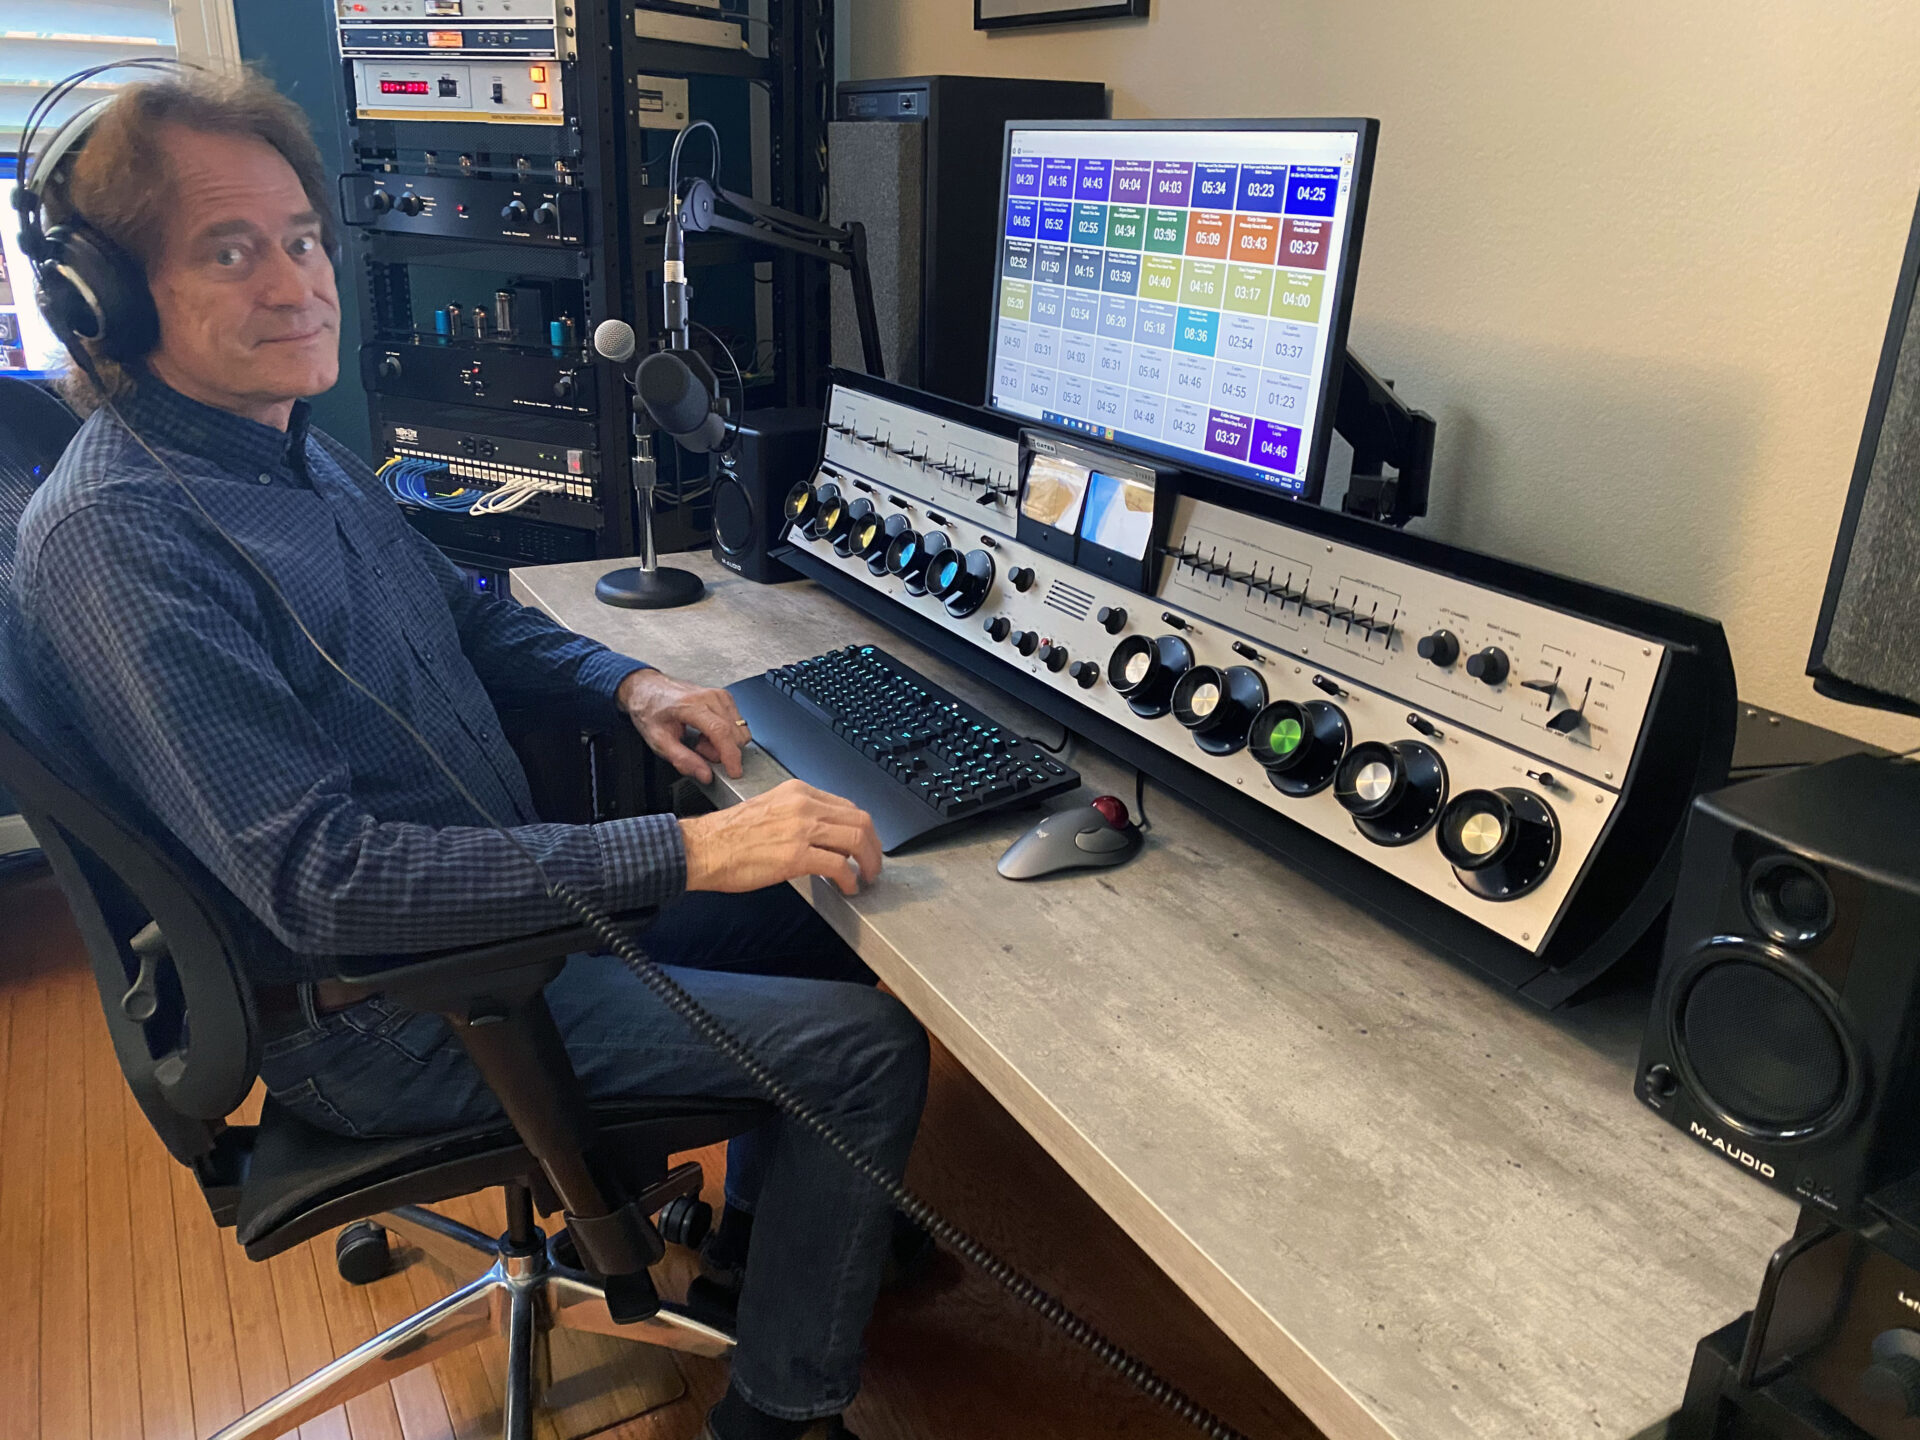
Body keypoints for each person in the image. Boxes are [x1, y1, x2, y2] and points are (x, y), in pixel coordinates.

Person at [5, 69, 925, 1440]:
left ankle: (767, 1251)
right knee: (865, 1053)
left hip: (498, 916)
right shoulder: (125, 541)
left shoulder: (285, 451)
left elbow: (462, 614)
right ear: (109, 303)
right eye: (228, 250)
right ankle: (780, 1417)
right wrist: (690, 843)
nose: (295, 282)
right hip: (392, 1005)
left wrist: (625, 681)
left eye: (301, 238)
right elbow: (327, 887)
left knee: (821, 917)